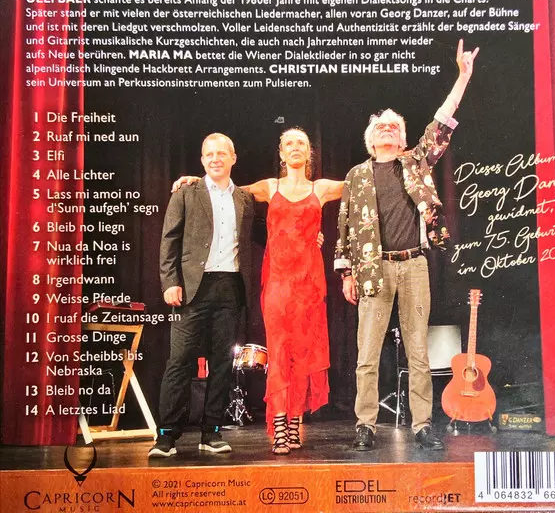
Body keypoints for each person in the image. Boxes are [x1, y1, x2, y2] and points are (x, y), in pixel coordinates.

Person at [335, 39, 479, 451]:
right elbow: (344, 226)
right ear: (370, 138)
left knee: (418, 350)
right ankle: (365, 424)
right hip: (372, 270)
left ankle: (422, 424)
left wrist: (463, 77)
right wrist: (346, 273)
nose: (388, 129)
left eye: (394, 126)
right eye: (381, 126)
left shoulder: (415, 162)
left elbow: (442, 122)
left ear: (402, 139)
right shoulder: (357, 175)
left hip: (414, 265)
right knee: (367, 352)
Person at [173, 128, 343, 454]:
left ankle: (294, 421)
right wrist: (195, 181)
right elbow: (225, 187)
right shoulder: (270, 187)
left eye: (301, 143)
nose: (295, 147)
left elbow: (363, 182)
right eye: (289, 143)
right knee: (279, 351)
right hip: (278, 282)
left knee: (302, 352)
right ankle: (279, 423)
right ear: (281, 153)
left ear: (309, 152)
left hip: (309, 285)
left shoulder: (320, 188)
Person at [149, 133, 255, 457]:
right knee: (180, 361)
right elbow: (169, 239)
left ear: (233, 158)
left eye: (221, 153)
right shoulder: (186, 192)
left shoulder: (245, 199)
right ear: (202, 160)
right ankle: (166, 436)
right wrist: (170, 282)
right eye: (209, 154)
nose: (215, 159)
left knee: (221, 362)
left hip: (230, 287)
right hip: (193, 287)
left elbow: (267, 233)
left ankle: (212, 432)